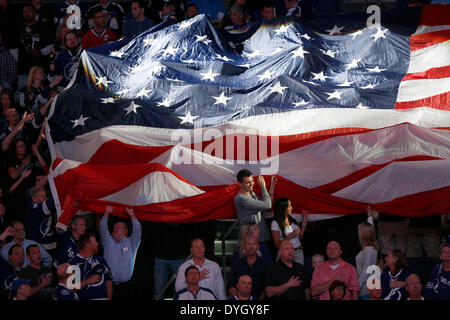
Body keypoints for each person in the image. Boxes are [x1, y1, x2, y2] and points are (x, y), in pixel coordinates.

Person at [99, 205, 141, 300]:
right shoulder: (107, 241)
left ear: (126, 231)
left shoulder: (132, 243)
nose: (115, 229)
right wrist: (106, 213)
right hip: (108, 286)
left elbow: (137, 230)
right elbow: (102, 227)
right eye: (114, 227)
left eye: (118, 227)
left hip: (126, 287)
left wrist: (132, 215)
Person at [234, 169, 275, 244]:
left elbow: (267, 205)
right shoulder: (241, 199)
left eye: (252, 181)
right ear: (239, 184)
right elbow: (267, 205)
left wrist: (272, 187)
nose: (252, 184)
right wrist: (263, 187)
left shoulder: (252, 193)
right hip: (249, 242)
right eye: (248, 182)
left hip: (260, 239)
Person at [67, 232, 113, 300]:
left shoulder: (100, 259)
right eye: (95, 241)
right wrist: (88, 281)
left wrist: (109, 298)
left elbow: (109, 281)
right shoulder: (74, 263)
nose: (97, 244)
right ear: (88, 244)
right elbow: (70, 287)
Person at [228, 235, 269, 299]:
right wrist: (240, 298)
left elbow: (267, 287)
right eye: (248, 244)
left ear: (258, 246)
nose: (251, 247)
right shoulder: (237, 263)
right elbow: (231, 285)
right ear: (244, 247)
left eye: (253, 244)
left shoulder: (265, 264)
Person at [271, 197, 308, 264]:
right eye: (289, 206)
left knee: (299, 273)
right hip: (284, 253)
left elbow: (299, 237)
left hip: (298, 252)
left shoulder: (292, 218)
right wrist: (290, 235)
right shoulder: (275, 223)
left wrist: (304, 223)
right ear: (283, 208)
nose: (292, 208)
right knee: (283, 273)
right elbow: (277, 245)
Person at [26, 185, 57, 255]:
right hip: (37, 247)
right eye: (42, 196)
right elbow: (45, 206)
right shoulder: (31, 207)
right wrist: (57, 197)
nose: (45, 198)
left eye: (45, 195)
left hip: (52, 245)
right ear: (34, 198)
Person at [355, 208, 379, 300]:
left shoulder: (369, 250)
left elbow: (366, 270)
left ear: (363, 234)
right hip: (366, 288)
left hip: (365, 289)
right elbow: (371, 230)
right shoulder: (371, 248)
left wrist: (356, 286)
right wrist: (369, 216)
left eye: (359, 231)